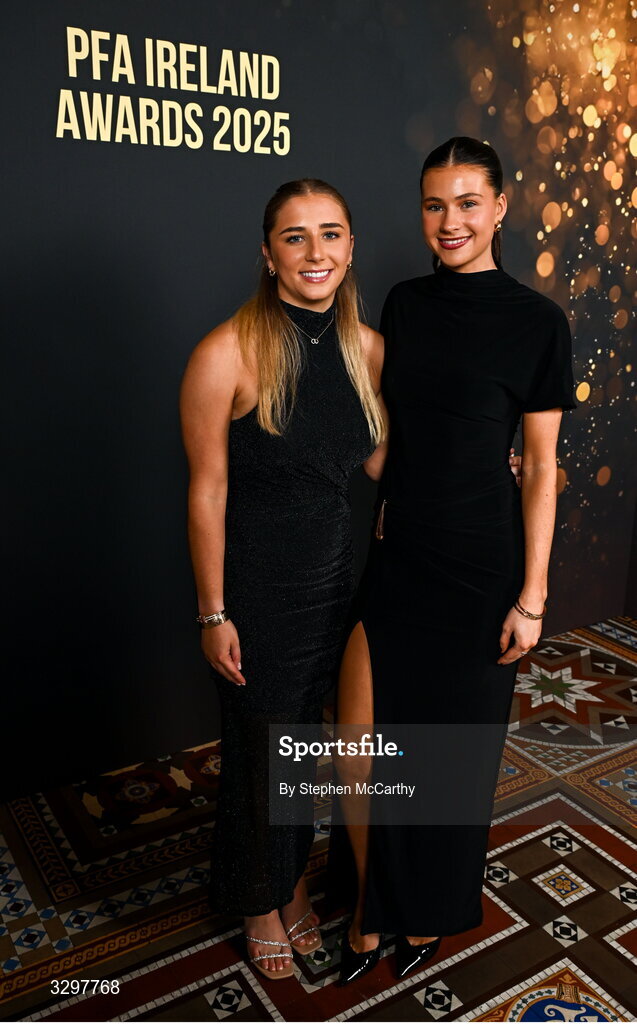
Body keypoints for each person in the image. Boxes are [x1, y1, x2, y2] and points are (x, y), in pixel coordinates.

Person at [334, 136, 577, 985]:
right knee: (360, 740)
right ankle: (370, 906)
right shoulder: (402, 304)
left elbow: (541, 466)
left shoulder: (538, 323)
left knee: (444, 754)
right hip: (400, 554)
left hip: (482, 567)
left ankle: (423, 910)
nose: (449, 222)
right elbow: (394, 438)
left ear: (501, 207)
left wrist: (533, 595)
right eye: (435, 205)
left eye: (467, 203)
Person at [179, 178, 386, 979]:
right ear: (267, 255)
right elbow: (206, 492)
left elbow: (379, 463)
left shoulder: (367, 351)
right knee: (261, 749)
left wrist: (490, 466)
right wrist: (212, 614)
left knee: (306, 749)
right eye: (294, 237)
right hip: (257, 589)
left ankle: (292, 883)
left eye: (330, 234)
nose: (314, 252)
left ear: (349, 249)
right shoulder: (223, 352)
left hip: (338, 579)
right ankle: (257, 900)